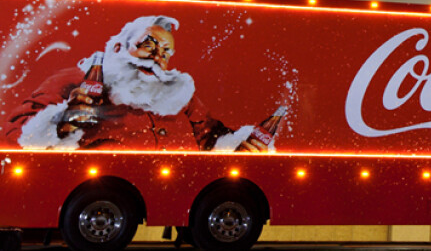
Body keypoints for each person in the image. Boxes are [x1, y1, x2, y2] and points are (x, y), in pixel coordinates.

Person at [6, 15, 268, 151]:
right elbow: (13, 134)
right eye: (148, 45)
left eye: (165, 52)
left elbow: (211, 137)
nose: (157, 57)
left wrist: (238, 144)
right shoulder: (75, 79)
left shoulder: (178, 93)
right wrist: (60, 122)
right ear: (120, 46)